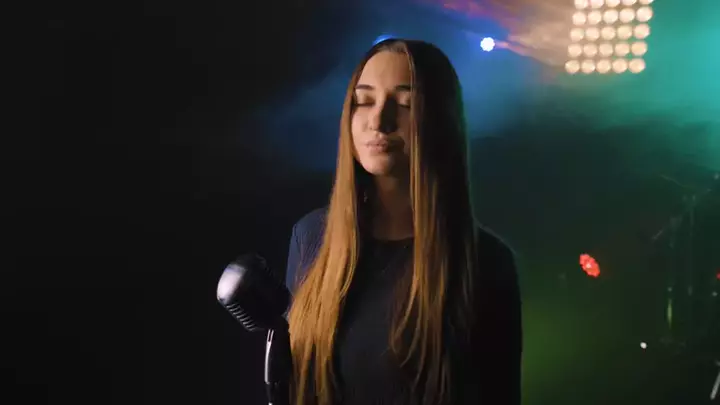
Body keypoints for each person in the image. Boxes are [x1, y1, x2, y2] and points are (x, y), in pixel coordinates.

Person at [284, 39, 522, 405]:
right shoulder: (311, 237)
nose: (379, 121)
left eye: (406, 104)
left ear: (441, 121)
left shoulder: (486, 263)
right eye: (364, 101)